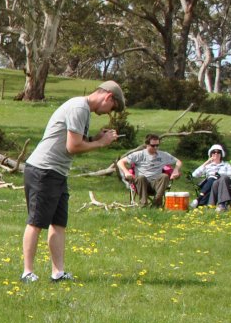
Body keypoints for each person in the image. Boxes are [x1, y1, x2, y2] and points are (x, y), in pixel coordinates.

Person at [20, 81, 125, 283]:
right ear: (108, 97)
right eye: (112, 108)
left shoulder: (83, 110)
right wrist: (101, 143)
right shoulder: (79, 107)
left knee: (58, 223)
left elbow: (78, 141)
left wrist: (95, 137)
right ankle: (27, 272)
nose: (108, 113)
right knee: (36, 221)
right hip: (44, 170)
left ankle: (58, 273)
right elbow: (73, 147)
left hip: (58, 172)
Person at [116, 134, 182, 208]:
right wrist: (126, 172)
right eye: (153, 145)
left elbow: (178, 162)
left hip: (157, 185)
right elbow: (120, 162)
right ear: (147, 144)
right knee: (141, 177)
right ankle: (143, 205)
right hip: (142, 184)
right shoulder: (139, 154)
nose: (156, 147)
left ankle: (156, 203)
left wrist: (176, 170)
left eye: (157, 145)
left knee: (164, 176)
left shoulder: (163, 155)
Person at [192, 143, 231, 211]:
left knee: (222, 178)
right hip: (212, 183)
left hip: (224, 182)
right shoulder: (208, 166)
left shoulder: (226, 165)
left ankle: (201, 199)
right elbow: (195, 174)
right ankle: (218, 205)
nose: (216, 154)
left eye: (218, 152)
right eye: (214, 152)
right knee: (213, 180)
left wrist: (220, 175)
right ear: (210, 154)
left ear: (221, 154)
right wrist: (207, 162)